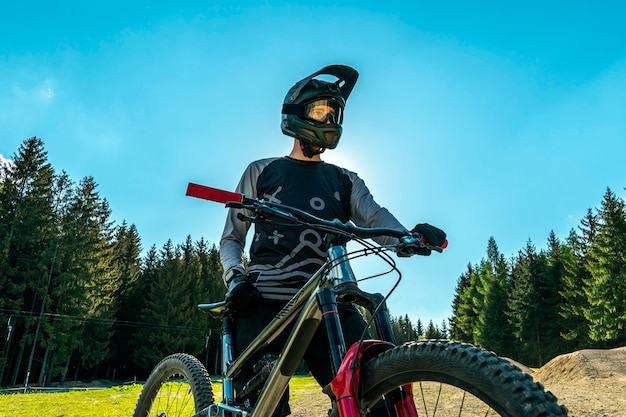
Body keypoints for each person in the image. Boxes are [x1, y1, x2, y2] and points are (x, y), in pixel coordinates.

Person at [219, 64, 446, 416]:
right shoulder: (261, 170)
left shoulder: (345, 179)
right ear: (295, 114)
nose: (329, 121)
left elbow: (374, 216)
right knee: (261, 408)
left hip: (329, 301)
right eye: (320, 111)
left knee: (375, 395)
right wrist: (235, 277)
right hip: (264, 300)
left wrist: (407, 236)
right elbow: (232, 237)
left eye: (335, 113)